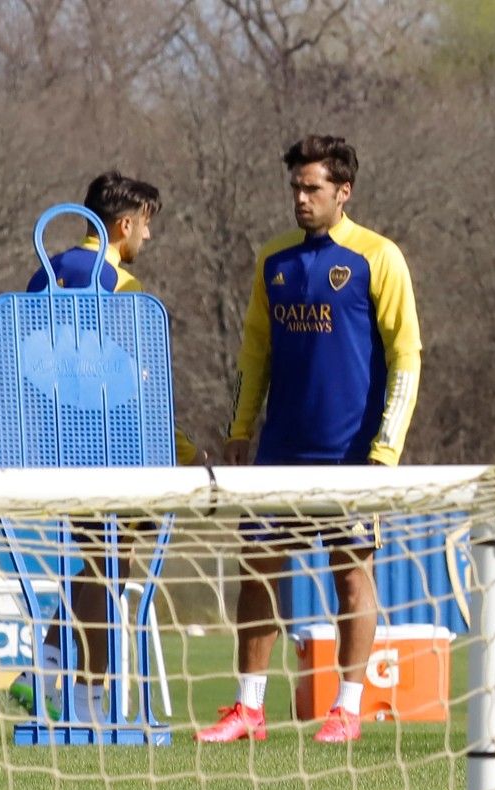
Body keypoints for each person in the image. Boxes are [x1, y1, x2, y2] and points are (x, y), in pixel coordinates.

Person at [196, 134, 423, 744]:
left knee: (350, 573)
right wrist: (241, 430)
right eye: (295, 186)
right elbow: (254, 351)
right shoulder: (274, 261)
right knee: (259, 568)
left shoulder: (379, 257)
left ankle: (346, 707)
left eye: (312, 187)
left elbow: (407, 354)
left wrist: (386, 448)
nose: (300, 197)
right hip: (279, 452)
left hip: (351, 454)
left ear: (342, 192)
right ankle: (249, 708)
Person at [9, 172, 204, 724]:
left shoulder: (44, 277)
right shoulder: (123, 290)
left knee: (96, 564)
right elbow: (143, 389)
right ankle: (83, 695)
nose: (150, 238)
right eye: (148, 225)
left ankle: (45, 669)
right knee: (108, 565)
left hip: (47, 442)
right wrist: (186, 453)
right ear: (124, 225)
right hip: (112, 447)